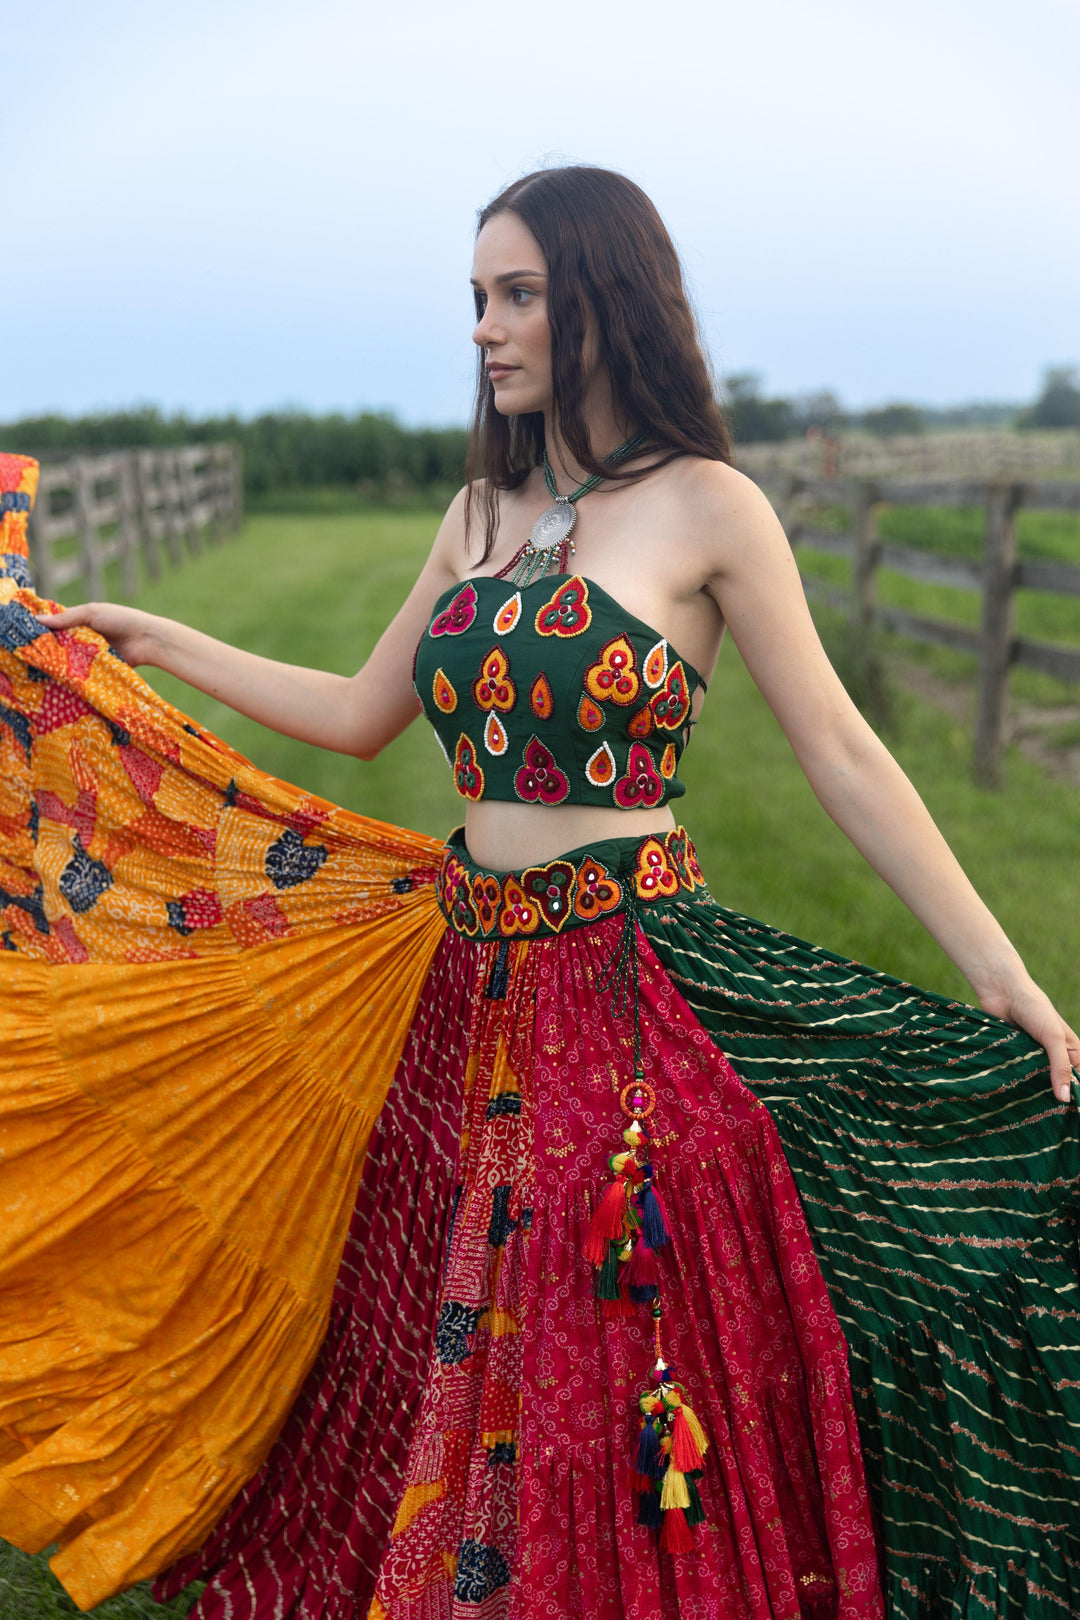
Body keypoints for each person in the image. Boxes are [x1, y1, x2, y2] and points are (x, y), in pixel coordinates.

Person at [1, 164, 1077, 1620]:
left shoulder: (710, 507)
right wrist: (156, 639)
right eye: (477, 299)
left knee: (593, 1351)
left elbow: (840, 749)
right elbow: (358, 710)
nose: (487, 330)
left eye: (518, 296)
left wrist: (999, 970)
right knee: (448, 1333)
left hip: (630, 989)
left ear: (602, 303)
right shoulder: (478, 510)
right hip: (460, 984)